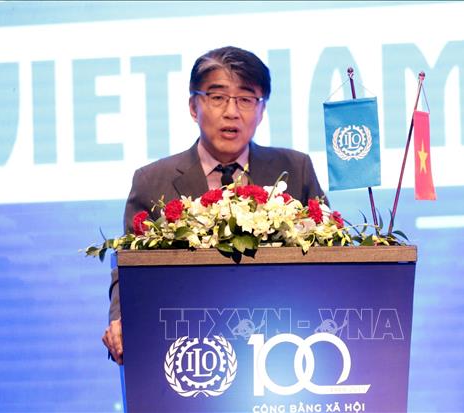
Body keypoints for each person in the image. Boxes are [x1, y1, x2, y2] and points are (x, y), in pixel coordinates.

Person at [102, 46, 327, 364]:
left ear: (262, 110)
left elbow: (328, 255)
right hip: (189, 348)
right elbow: (128, 270)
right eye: (218, 97)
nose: (231, 112)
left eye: (246, 99)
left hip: (282, 346)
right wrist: (122, 320)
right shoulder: (152, 181)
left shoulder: (294, 169)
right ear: (193, 107)